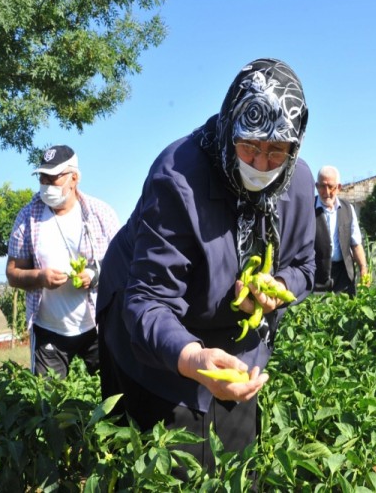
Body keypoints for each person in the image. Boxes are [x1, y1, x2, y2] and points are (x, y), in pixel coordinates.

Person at [96, 58, 315, 474]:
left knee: (232, 460)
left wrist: (275, 289)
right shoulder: (178, 177)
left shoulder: (297, 183)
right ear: (231, 124)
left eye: (276, 151)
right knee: (166, 457)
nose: (261, 164)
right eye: (249, 145)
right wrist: (192, 357)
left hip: (231, 337)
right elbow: (149, 301)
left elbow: (304, 265)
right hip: (148, 330)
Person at [6, 145, 120, 377]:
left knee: (113, 397)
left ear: (74, 178)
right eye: (42, 177)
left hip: (97, 326)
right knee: (50, 406)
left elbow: (122, 262)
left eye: (54, 178)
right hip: (49, 330)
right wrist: (40, 277)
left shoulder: (100, 213)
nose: (47, 185)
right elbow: (12, 273)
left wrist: (94, 274)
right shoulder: (27, 218)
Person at [313, 165, 369, 295]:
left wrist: (363, 269)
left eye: (330, 187)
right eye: (322, 186)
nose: (326, 192)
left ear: (338, 187)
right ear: (317, 186)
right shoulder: (308, 208)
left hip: (343, 275)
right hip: (317, 275)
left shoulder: (348, 209)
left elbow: (356, 244)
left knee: (345, 311)